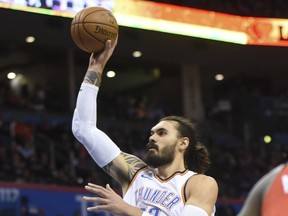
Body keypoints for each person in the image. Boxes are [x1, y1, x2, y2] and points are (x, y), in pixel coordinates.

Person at [71, 38, 218, 216]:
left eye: (162, 133)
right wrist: (95, 69)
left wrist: (130, 210)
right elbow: (83, 128)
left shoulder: (199, 183)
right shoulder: (135, 174)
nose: (152, 137)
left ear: (183, 143)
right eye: (152, 133)